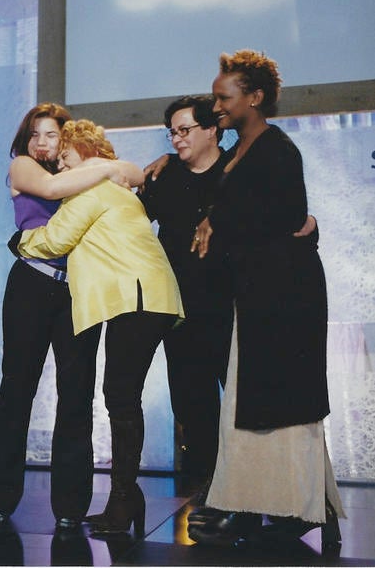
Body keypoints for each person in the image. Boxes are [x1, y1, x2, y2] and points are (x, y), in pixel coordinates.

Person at [187, 50, 344, 549]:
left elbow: (288, 218)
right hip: (258, 293)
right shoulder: (241, 150)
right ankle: (267, 504)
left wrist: (221, 223)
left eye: (224, 97)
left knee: (279, 404)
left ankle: (290, 505)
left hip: (283, 298)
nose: (217, 105)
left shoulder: (276, 150)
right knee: (256, 402)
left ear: (254, 98)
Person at [15, 119, 184, 538]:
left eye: (66, 157)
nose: (61, 167)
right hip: (147, 298)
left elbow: (55, 240)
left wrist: (19, 242)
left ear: (85, 154)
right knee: (122, 398)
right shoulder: (115, 189)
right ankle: (127, 496)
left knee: (121, 400)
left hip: (137, 299)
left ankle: (123, 499)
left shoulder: (91, 190)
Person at [0, 104, 143, 533]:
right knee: (17, 388)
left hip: (78, 287)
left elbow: (136, 174)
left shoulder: (83, 170)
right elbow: (51, 190)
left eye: (51, 134)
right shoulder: (25, 167)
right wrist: (108, 169)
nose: (41, 142)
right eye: (34, 134)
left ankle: (71, 504)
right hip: (31, 285)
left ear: (66, 138)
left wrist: (104, 166)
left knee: (77, 394)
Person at [137, 95, 234, 492]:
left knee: (245, 403)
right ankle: (208, 493)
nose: (176, 140)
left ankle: (252, 494)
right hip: (179, 311)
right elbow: (132, 219)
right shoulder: (165, 176)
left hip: (232, 308)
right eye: (172, 132)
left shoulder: (238, 171)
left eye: (185, 130)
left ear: (212, 130)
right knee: (192, 406)